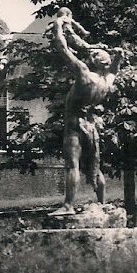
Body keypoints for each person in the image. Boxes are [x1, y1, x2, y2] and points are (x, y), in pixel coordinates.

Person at [49, 11, 124, 216]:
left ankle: (68, 206)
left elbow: (62, 48)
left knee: (72, 165)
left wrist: (58, 25)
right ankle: (101, 202)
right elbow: (115, 70)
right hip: (92, 125)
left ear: (93, 60)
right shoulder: (106, 82)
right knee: (95, 167)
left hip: (74, 123)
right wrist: (119, 56)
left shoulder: (84, 73)